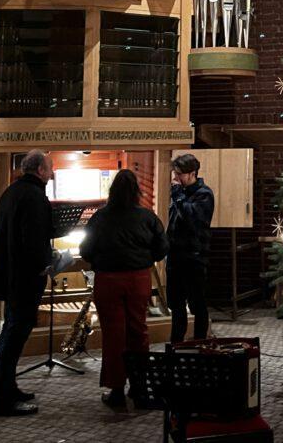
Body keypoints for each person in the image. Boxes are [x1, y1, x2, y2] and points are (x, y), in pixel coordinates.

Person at [80, 169, 168, 408]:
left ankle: (116, 390)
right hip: (138, 279)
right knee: (138, 331)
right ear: (136, 191)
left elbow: (86, 250)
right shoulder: (147, 217)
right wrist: (144, 257)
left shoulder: (100, 217)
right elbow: (162, 248)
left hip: (108, 280)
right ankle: (140, 388)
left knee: (113, 334)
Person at [0, 150, 53, 417]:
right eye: (49, 168)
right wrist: (46, 265)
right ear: (40, 170)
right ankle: (1, 398)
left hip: (10, 274)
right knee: (14, 335)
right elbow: (33, 240)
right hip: (25, 278)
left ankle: (8, 387)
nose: (52, 173)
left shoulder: (12, 191)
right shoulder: (34, 196)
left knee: (13, 331)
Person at [166, 153, 214, 343]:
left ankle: (200, 343)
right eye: (174, 173)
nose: (176, 178)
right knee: (176, 305)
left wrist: (178, 196)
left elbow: (193, 220)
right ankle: (176, 344)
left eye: (179, 174)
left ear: (192, 173)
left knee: (197, 304)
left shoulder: (204, 194)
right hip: (175, 256)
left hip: (194, 257)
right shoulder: (179, 193)